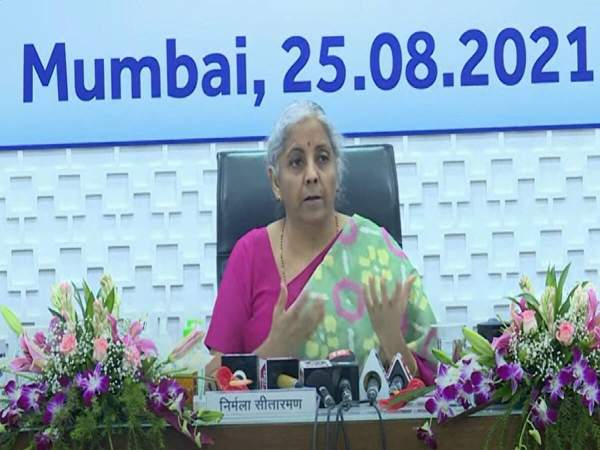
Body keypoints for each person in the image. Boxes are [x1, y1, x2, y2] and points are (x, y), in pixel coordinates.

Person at [205, 101, 436, 383]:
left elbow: (435, 381)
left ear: (337, 173)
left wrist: (392, 342)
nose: (312, 175)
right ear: (275, 182)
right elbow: (211, 382)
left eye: (323, 159)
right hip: (273, 414)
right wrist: (272, 350)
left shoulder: (378, 251)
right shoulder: (250, 254)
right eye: (296, 162)